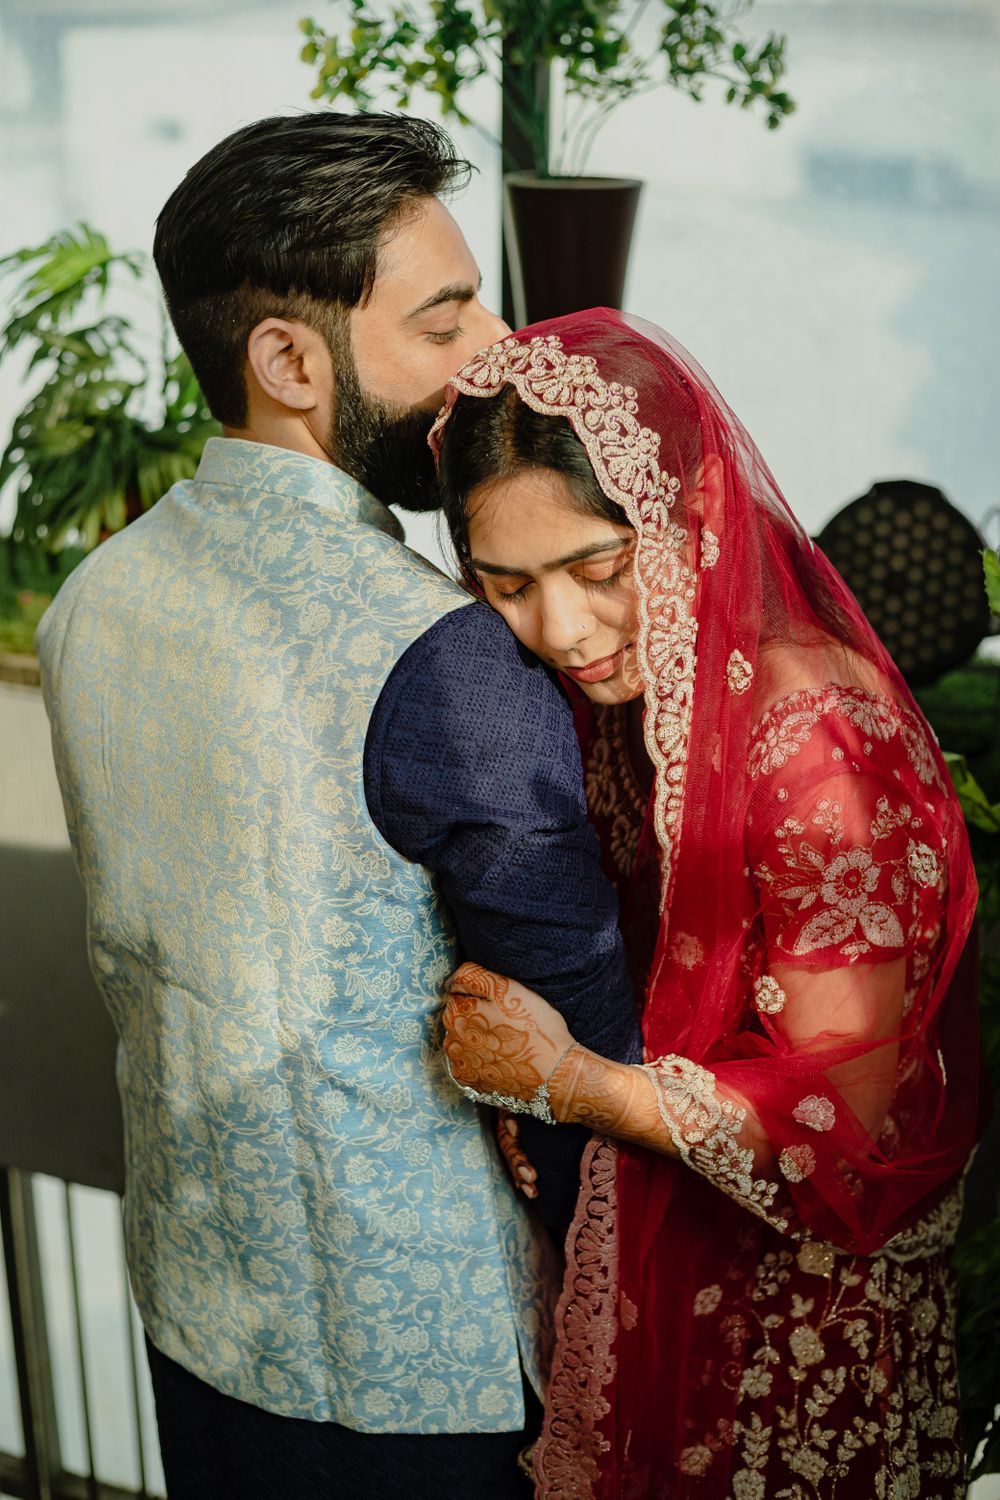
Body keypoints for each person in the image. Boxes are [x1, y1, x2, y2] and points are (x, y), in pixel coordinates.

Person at [35, 118, 639, 1499]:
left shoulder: (91, 602)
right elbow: (576, 1047)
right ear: (290, 362)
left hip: (194, 1316)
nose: (495, 345)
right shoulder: (445, 654)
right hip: (422, 1380)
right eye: (443, 322)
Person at [433, 307, 984, 1498]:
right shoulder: (626, 707)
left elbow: (849, 1120)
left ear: (687, 516)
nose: (562, 628)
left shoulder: (812, 743)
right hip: (673, 1274)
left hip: (800, 1325)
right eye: (508, 585)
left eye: (599, 568)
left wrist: (571, 1084)